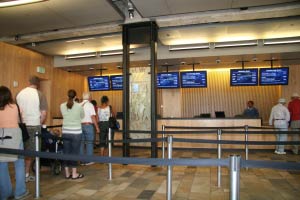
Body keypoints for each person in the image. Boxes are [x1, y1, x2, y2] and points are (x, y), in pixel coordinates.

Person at [16, 75, 48, 182]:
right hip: (34, 125)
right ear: (38, 84)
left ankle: (21, 174)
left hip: (21, 126)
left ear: (28, 81)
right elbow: (43, 113)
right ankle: (26, 173)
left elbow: (17, 112)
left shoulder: (19, 93)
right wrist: (39, 122)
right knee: (33, 151)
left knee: (22, 150)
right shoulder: (40, 94)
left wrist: (20, 122)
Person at [0, 86, 29, 200]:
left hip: (1, 137)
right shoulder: (16, 107)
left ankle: (5, 192)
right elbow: (20, 120)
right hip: (15, 136)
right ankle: (20, 191)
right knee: (19, 164)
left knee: (2, 166)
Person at [60, 89, 84, 179]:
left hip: (65, 132)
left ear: (67, 96)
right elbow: (82, 116)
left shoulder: (62, 106)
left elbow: (64, 115)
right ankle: (74, 174)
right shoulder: (79, 106)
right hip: (76, 132)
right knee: (75, 153)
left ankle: (67, 173)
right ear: (75, 97)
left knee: (66, 152)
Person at [79, 93, 99, 165]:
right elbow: (93, 117)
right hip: (88, 125)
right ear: (89, 98)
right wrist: (97, 127)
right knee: (89, 143)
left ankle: (81, 160)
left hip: (80, 126)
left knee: (81, 143)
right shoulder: (90, 105)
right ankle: (89, 160)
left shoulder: (79, 105)